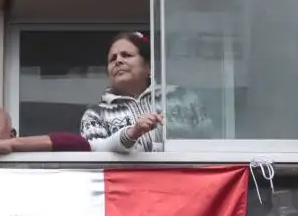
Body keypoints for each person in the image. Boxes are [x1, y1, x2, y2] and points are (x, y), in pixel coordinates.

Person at [79, 31, 211, 153]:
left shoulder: (181, 97)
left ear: (148, 66)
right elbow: (93, 151)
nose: (118, 61)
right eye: (112, 59)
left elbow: (207, 142)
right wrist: (131, 134)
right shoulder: (96, 115)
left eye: (126, 55)